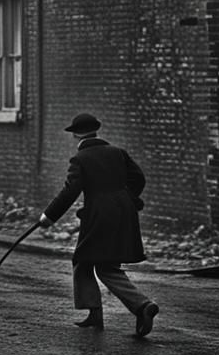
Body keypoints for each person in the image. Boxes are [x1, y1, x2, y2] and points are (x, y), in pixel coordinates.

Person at [38, 112, 160, 337]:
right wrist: (126, 198)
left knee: (92, 262)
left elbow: (70, 191)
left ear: (76, 135)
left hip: (98, 216)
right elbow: (138, 178)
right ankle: (96, 313)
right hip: (125, 213)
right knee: (96, 262)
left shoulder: (80, 159)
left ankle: (141, 305)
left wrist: (49, 216)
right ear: (95, 130)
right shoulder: (118, 153)